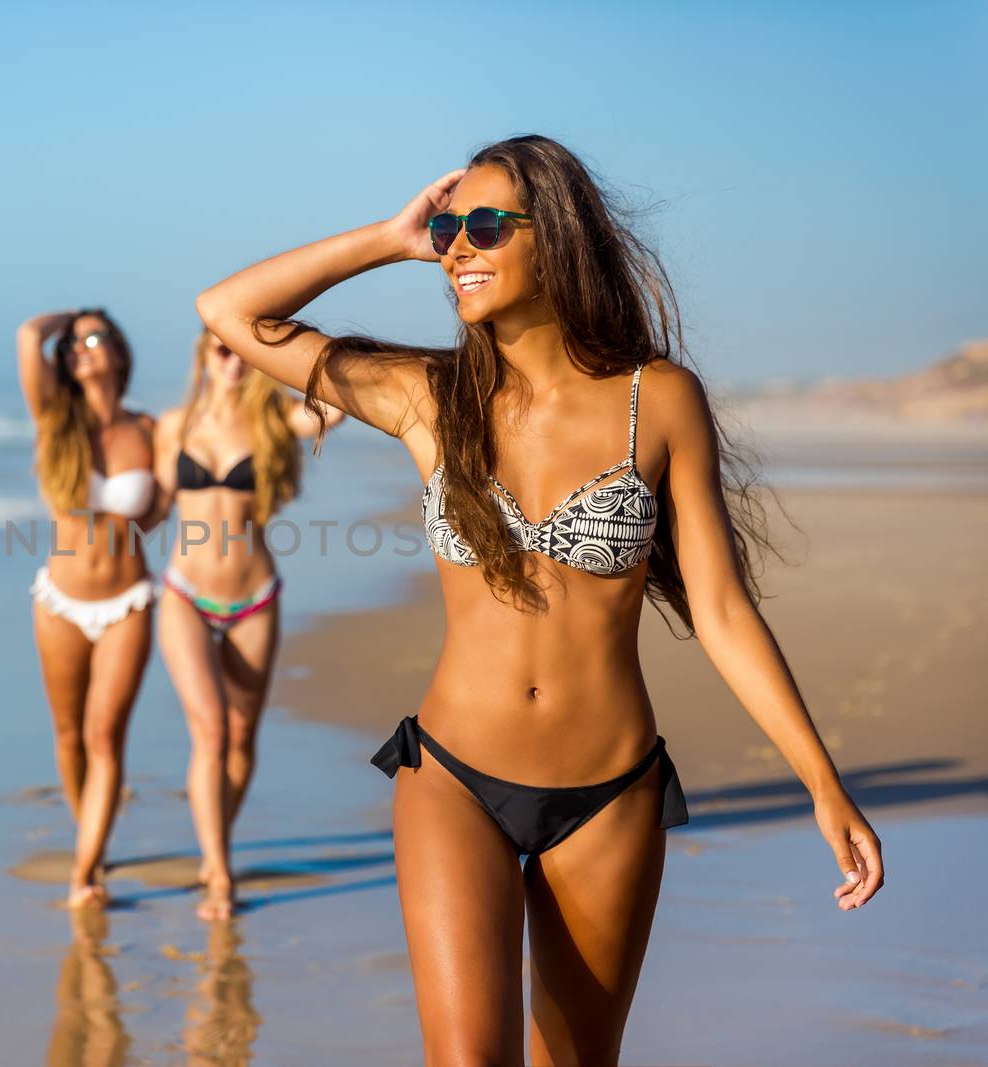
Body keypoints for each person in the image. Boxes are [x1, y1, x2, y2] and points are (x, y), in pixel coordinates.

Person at [195, 135, 884, 1063]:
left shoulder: (660, 400)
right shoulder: (427, 396)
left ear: (554, 238)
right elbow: (232, 311)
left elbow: (721, 610)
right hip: (454, 778)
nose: (458, 249)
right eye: (448, 230)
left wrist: (822, 782)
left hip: (610, 792)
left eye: (483, 226)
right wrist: (391, 237)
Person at [149, 327, 343, 920]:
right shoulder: (172, 426)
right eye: (222, 348)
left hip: (254, 596)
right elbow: (152, 506)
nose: (232, 360)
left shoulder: (277, 421)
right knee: (209, 732)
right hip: (184, 594)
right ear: (203, 353)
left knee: (240, 741)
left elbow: (337, 406)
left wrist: (288, 345)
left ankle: (215, 849)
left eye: (241, 351)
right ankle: (220, 877)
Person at [17, 308, 159, 909]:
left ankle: (88, 871)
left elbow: (159, 511)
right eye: (73, 345)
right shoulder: (55, 420)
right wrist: (68, 320)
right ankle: (89, 837)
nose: (81, 348)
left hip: (128, 601)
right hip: (60, 601)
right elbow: (29, 336)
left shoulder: (151, 429)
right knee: (70, 735)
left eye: (94, 338)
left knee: (105, 735)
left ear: (120, 353)